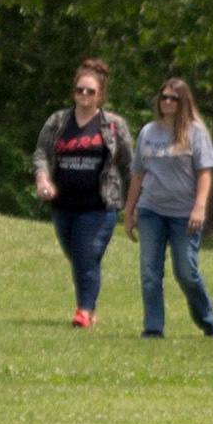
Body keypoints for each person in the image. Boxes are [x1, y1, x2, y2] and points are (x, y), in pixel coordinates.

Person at [34, 63, 127, 328]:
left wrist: (134, 203)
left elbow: (128, 165)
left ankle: (83, 311)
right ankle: (90, 307)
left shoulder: (113, 125)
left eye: (90, 91)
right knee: (77, 256)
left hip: (98, 206)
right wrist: (43, 179)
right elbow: (41, 152)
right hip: (63, 205)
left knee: (86, 254)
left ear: (100, 94)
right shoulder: (58, 121)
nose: (84, 95)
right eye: (79, 90)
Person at [132, 75, 213, 340]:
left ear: (183, 102)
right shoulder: (148, 132)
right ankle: (153, 328)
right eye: (164, 97)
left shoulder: (195, 132)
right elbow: (137, 173)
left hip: (184, 214)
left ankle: (207, 321)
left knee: (186, 272)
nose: (168, 102)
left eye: (174, 98)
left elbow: (205, 173)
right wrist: (130, 210)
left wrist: (199, 208)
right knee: (150, 272)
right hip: (151, 210)